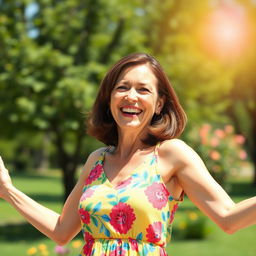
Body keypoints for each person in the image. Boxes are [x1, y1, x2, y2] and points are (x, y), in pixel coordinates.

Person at [0, 53, 255, 256]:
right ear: (109, 99)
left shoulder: (171, 154)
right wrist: (7, 190)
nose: (131, 96)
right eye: (122, 87)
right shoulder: (96, 161)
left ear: (159, 104)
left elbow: (228, 218)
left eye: (143, 90)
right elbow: (61, 230)